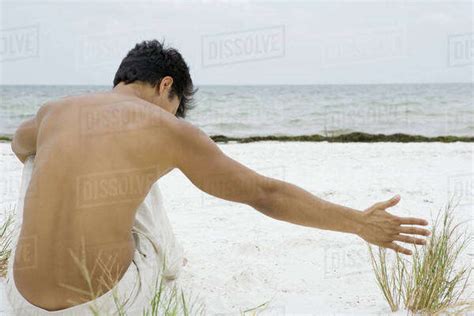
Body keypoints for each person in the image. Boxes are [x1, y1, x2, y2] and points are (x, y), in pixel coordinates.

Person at [6, 39, 431, 314]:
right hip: (105, 303)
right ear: (164, 85)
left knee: (38, 153)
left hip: (20, 299)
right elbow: (264, 193)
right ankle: (171, 268)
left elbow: (18, 148)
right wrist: (359, 223)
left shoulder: (55, 111)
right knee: (144, 165)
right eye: (175, 104)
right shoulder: (166, 128)